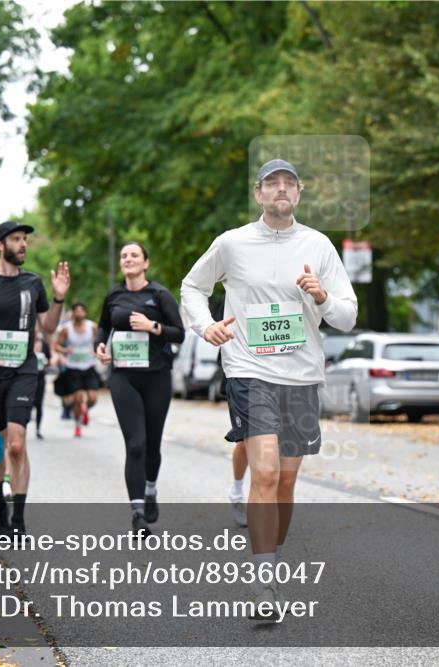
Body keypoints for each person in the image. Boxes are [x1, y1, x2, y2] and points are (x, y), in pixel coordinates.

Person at [180, 159, 358, 618]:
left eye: (289, 184)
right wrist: (206, 327)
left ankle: (270, 558)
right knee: (263, 472)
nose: (281, 191)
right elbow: (192, 286)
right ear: (258, 194)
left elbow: (348, 316)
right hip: (248, 369)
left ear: (298, 193)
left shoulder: (318, 245)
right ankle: (264, 584)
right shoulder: (232, 243)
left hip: (300, 376)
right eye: (271, 184)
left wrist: (321, 296)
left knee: (285, 479)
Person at [0, 220, 69, 536]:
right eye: (16, 239)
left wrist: (58, 299)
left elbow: (47, 328)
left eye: (25, 240)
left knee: (16, 444)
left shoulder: (33, 284)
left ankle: (18, 519)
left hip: (23, 370)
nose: (23, 244)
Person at [95, 241, 184, 535]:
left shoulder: (159, 295)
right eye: (123, 255)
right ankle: (137, 514)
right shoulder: (114, 295)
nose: (128, 259)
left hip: (156, 376)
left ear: (145, 263)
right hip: (123, 375)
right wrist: (101, 347)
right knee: (135, 444)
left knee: (151, 446)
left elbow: (179, 334)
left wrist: (153, 327)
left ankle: (150, 490)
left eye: (134, 255)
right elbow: (103, 327)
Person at [55, 303, 100, 438]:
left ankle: (85, 409)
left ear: (85, 313)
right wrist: (65, 350)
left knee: (92, 397)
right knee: (78, 397)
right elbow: (56, 346)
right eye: (77, 311)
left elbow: (100, 341)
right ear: (73, 313)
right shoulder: (66, 329)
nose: (80, 314)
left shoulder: (92, 326)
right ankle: (78, 425)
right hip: (73, 367)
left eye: (82, 311)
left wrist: (98, 350)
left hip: (89, 366)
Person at [33, 324, 51, 440]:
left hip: (40, 377)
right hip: (27, 377)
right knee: (27, 404)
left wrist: (45, 362)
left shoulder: (44, 344)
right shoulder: (27, 344)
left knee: (39, 404)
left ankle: (38, 429)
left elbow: (50, 359)